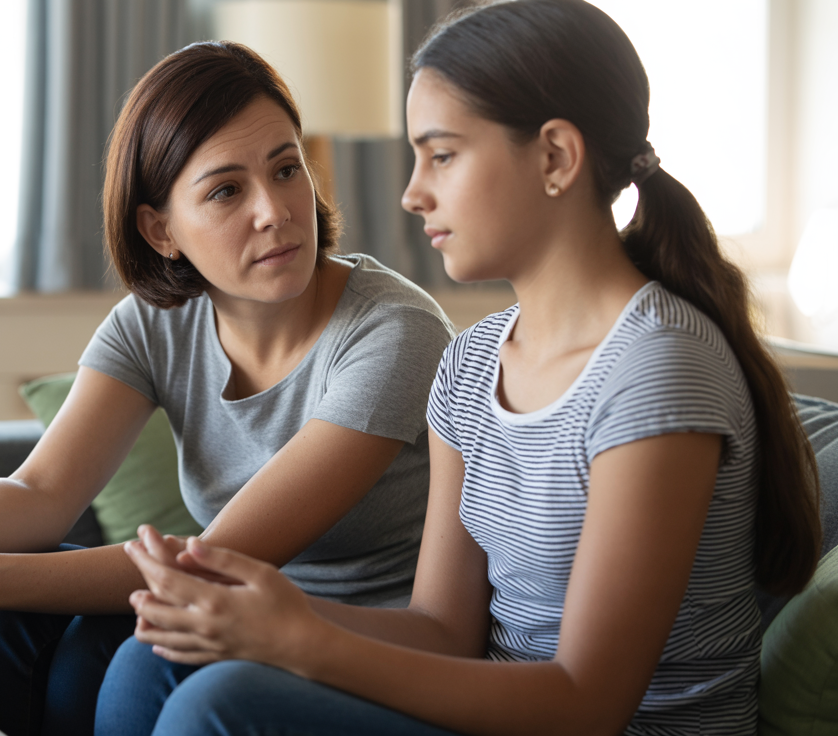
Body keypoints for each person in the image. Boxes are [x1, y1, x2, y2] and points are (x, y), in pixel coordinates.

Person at [104, 2, 825, 734]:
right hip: (493, 708)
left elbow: (588, 705)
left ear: (555, 158)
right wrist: (266, 610)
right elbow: (443, 632)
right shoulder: (470, 366)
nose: (412, 193)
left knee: (219, 704)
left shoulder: (658, 370)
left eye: (441, 155)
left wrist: (304, 640)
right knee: (158, 655)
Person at [0, 41, 455, 736]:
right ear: (160, 229)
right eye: (226, 190)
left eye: (287, 169)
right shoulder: (155, 324)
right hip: (225, 607)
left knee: (134, 657)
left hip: (357, 642)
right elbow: (42, 492)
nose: (275, 210)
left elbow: (221, 561)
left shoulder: (393, 332)